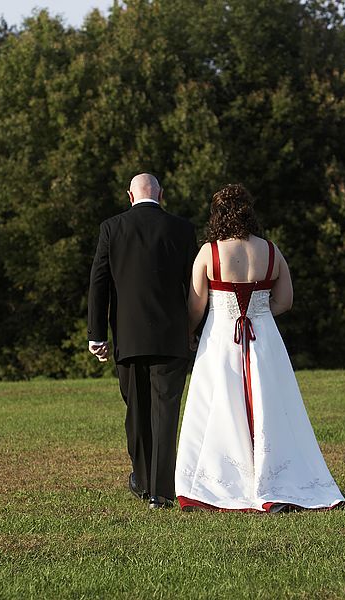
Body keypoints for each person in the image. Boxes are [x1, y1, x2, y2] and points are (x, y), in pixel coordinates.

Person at [175, 183, 345, 512]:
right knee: (272, 408)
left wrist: (188, 333)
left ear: (218, 216)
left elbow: (195, 308)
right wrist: (259, 313)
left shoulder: (210, 253)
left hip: (222, 341)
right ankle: (277, 483)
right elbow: (286, 300)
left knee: (221, 407)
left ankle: (223, 484)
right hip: (264, 339)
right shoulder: (271, 251)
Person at [87, 173, 197, 509]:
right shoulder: (182, 228)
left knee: (136, 410)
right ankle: (161, 492)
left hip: (129, 338)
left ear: (130, 196)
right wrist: (197, 330)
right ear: (161, 195)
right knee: (165, 412)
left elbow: (99, 284)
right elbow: (194, 287)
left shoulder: (112, 228)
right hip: (171, 336)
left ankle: (142, 479)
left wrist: (96, 335)